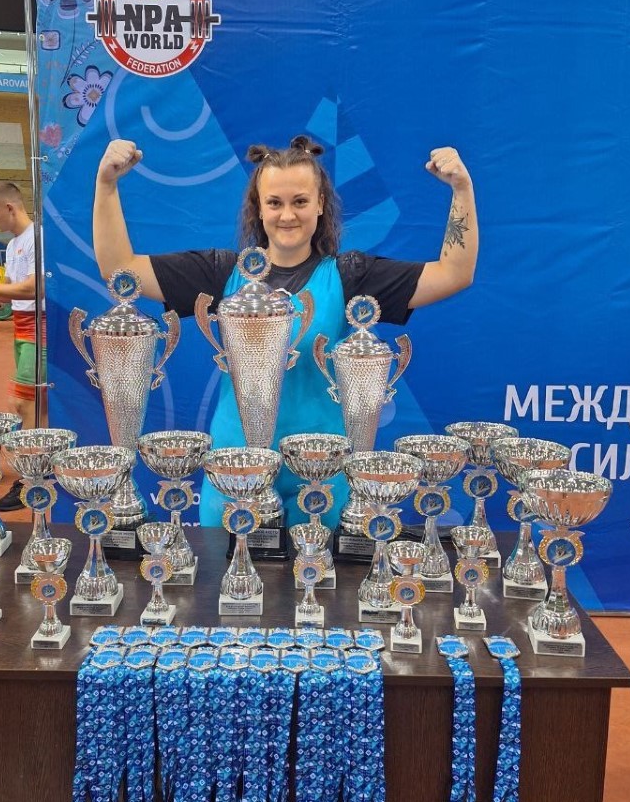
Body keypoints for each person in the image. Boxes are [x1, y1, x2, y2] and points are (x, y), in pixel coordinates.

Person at [93, 134, 478, 527]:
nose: (287, 215)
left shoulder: (350, 276)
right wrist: (106, 184)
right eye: (274, 203)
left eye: (300, 201)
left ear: (320, 204)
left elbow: (454, 274)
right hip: (234, 477)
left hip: (322, 481)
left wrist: (461, 189)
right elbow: (119, 269)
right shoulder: (221, 273)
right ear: (258, 209)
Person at [0, 180, 46, 511]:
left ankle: (30, 479)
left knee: (23, 403)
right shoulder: (12, 246)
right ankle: (41, 471)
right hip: (22, 327)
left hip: (39, 327)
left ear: (10, 207)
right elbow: (10, 292)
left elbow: (33, 289)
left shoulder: (37, 237)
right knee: (35, 406)